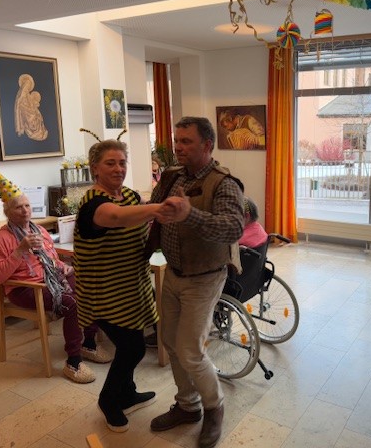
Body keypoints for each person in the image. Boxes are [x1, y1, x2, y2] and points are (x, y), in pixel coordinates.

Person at [147, 116, 244, 448]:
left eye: (186, 141)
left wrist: (191, 214)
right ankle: (188, 406)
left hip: (205, 278)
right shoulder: (172, 177)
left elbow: (233, 228)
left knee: (190, 350)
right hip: (173, 273)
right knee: (171, 342)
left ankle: (214, 407)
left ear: (207, 145)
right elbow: (154, 211)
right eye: (177, 140)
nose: (178, 147)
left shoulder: (224, 184)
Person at [73, 139, 182, 432]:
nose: (118, 168)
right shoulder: (93, 205)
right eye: (110, 163)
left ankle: (127, 394)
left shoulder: (131, 196)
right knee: (132, 348)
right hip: (105, 293)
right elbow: (115, 217)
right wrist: (158, 208)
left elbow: (138, 221)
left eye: (122, 162)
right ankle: (109, 400)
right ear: (95, 168)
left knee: (132, 342)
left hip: (132, 289)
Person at [0, 150, 113, 386]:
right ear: (8, 212)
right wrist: (20, 250)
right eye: (18, 207)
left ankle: (89, 343)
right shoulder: (3, 238)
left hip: (52, 279)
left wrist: (63, 267)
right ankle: (73, 361)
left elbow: (52, 259)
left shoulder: (39, 230)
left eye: (27, 205)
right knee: (72, 304)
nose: (25, 210)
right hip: (25, 289)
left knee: (90, 287)